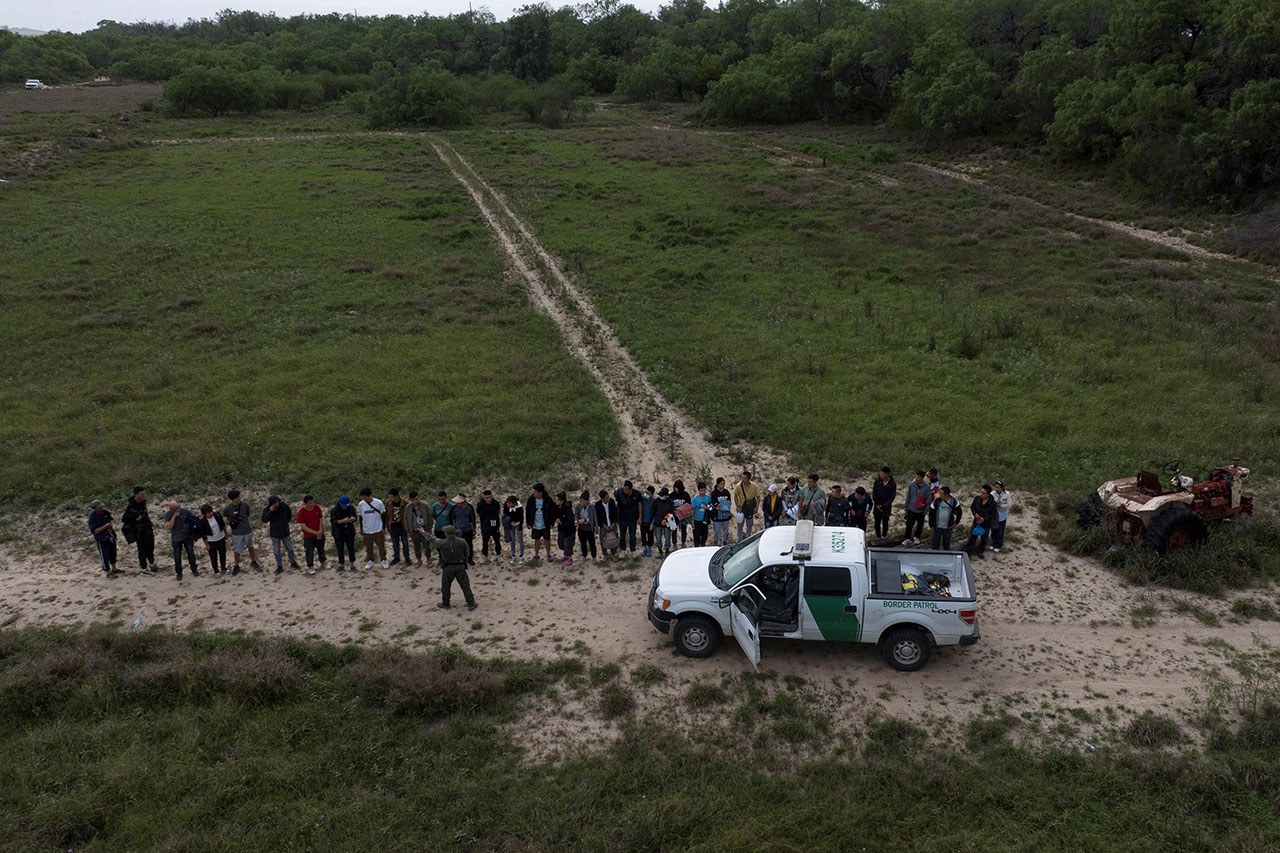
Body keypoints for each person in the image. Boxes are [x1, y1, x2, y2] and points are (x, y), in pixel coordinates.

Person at [434, 525, 476, 610]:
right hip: (460, 566)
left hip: (448, 567)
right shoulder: (462, 542)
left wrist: (423, 532)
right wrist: (464, 563)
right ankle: (471, 603)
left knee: (446, 586)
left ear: (446, 534)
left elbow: (431, 540)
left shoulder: (442, 543)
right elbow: (467, 553)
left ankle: (446, 603)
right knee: (465, 585)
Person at [120, 487, 157, 576]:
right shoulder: (131, 506)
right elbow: (124, 519)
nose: (144, 496)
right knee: (142, 549)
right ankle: (144, 568)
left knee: (150, 546)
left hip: (147, 527)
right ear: (136, 495)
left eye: (144, 494)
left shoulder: (143, 503)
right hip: (139, 530)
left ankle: (152, 563)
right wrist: (135, 520)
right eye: (142, 494)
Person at [223, 490, 262, 572]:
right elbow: (227, 517)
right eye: (237, 497)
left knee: (250, 546)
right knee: (237, 550)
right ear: (233, 499)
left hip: (247, 530)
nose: (239, 498)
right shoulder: (228, 509)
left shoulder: (245, 505)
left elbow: (248, 514)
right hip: (237, 533)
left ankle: (253, 561)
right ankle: (236, 565)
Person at [262, 495, 299, 574]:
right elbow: (264, 519)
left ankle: (293, 562)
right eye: (275, 503)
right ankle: (279, 566)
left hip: (285, 531)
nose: (277, 504)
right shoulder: (267, 509)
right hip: (275, 533)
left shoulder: (284, 506)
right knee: (277, 551)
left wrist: (285, 522)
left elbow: (289, 514)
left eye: (277, 502)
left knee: (290, 549)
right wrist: (270, 511)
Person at [165, 500, 200, 580]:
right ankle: (179, 573)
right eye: (175, 508)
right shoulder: (168, 515)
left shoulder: (185, 512)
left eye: (178, 507)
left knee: (191, 554)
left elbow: (194, 520)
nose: (177, 509)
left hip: (187, 537)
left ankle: (194, 570)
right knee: (177, 557)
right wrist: (174, 516)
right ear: (171, 509)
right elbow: (169, 526)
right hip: (176, 539)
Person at [964, 485, 998, 560]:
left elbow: (993, 515)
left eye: (983, 493)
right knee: (972, 536)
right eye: (981, 492)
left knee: (984, 538)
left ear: (988, 494)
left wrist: (984, 519)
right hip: (977, 521)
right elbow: (972, 507)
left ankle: (980, 551)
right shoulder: (977, 499)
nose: (981, 494)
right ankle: (967, 551)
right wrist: (975, 514)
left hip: (986, 523)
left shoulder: (992, 503)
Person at [295, 494, 326, 575]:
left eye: (313, 502)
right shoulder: (301, 511)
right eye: (310, 503)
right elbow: (303, 526)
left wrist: (320, 531)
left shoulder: (317, 507)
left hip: (319, 532)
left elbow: (320, 519)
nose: (312, 504)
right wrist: (315, 532)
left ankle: (323, 562)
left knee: (321, 548)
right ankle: (310, 566)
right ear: (305, 503)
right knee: (309, 551)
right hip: (309, 536)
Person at [358, 487, 388, 569]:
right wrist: (361, 528)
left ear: (369, 496)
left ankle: (383, 560)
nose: (364, 499)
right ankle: (370, 561)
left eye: (365, 497)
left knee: (381, 546)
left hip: (377, 529)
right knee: (369, 547)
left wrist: (383, 527)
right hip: (367, 530)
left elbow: (383, 515)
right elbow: (361, 516)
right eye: (363, 497)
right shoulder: (361, 504)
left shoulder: (378, 503)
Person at [88, 500, 119, 578]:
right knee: (104, 555)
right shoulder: (92, 518)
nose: (101, 508)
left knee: (113, 552)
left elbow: (111, 519)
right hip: (101, 539)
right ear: (95, 508)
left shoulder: (105, 512)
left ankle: (114, 568)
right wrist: (105, 526)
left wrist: (110, 524)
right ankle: (108, 572)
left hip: (110, 536)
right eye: (100, 507)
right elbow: (95, 531)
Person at [525, 484, 555, 562]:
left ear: (540, 492)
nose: (533, 493)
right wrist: (528, 522)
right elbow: (527, 511)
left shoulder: (548, 499)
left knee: (547, 539)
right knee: (536, 539)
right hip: (535, 523)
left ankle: (548, 554)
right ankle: (536, 555)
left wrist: (552, 523)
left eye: (535, 492)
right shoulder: (531, 499)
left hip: (545, 523)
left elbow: (552, 511)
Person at [198, 503, 228, 576]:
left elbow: (223, 524)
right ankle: (216, 570)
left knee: (222, 553)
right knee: (213, 556)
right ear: (204, 514)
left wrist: (226, 533)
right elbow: (203, 534)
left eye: (211, 511)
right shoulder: (202, 521)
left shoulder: (217, 515)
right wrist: (207, 544)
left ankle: (223, 568)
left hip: (220, 538)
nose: (211, 513)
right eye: (208, 512)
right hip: (211, 541)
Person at [330, 495, 358, 573]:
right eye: (344, 505)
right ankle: (341, 564)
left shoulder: (350, 507)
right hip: (338, 532)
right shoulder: (334, 510)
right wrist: (342, 521)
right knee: (340, 549)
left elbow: (355, 517)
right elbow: (333, 521)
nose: (346, 507)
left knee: (351, 548)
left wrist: (353, 519)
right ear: (340, 503)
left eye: (347, 505)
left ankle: (352, 565)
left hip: (349, 531)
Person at [733, 470, 762, 542]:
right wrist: (737, 506)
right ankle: (739, 540)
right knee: (740, 525)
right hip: (742, 507)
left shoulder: (754, 486)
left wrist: (756, 507)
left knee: (749, 525)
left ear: (749, 479)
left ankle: (748, 540)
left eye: (744, 478)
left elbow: (758, 497)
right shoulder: (738, 486)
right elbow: (735, 496)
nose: (742, 479)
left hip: (750, 508)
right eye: (742, 478)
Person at [448, 494, 477, 566]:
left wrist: (474, 528)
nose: (457, 503)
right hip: (458, 529)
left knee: (469, 545)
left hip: (468, 529)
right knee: (458, 545)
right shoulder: (454, 508)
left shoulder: (470, 507)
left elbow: (473, 518)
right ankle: (460, 559)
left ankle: (470, 559)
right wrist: (452, 528)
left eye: (458, 502)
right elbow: (451, 519)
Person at [614, 480, 641, 556]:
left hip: (633, 519)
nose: (624, 491)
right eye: (624, 489)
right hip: (622, 518)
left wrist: (640, 517)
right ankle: (623, 550)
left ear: (630, 489)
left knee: (632, 535)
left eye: (626, 489)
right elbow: (616, 505)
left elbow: (640, 505)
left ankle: (633, 550)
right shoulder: (619, 493)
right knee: (622, 535)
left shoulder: (637, 494)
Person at [903, 471, 929, 545]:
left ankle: (917, 537)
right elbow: (908, 496)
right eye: (916, 476)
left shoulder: (927, 487)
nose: (917, 478)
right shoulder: (912, 485)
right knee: (909, 524)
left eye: (918, 477)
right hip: (911, 508)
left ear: (923, 477)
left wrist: (926, 509)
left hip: (921, 509)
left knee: (920, 525)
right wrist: (906, 507)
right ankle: (907, 538)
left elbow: (928, 498)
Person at [477, 490, 503, 563]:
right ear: (483, 497)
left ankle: (499, 555)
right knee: (485, 541)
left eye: (489, 497)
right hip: (485, 525)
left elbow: (498, 512)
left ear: (492, 496)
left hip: (494, 525)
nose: (488, 499)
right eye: (486, 497)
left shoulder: (496, 503)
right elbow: (479, 513)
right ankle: (485, 556)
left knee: (497, 541)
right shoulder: (480, 504)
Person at [386, 489, 409, 567]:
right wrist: (387, 525)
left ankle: (407, 558)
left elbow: (408, 515)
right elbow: (386, 515)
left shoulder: (405, 503)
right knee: (395, 544)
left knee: (405, 543)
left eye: (391, 497)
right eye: (389, 497)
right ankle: (396, 557)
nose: (390, 498)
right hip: (392, 527)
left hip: (402, 526)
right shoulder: (388, 503)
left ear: (396, 496)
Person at [872, 468, 896, 539]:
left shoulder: (892, 484)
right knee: (877, 523)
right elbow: (874, 494)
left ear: (887, 474)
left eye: (883, 474)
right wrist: (878, 504)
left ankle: (884, 535)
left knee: (885, 522)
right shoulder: (877, 482)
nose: (881, 475)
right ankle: (878, 536)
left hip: (886, 507)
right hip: (877, 505)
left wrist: (884, 506)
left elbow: (892, 496)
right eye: (881, 473)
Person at [595, 489, 620, 559]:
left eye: (608, 497)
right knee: (603, 540)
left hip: (612, 524)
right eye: (606, 498)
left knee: (614, 539)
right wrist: (603, 525)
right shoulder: (597, 505)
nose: (608, 499)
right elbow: (598, 517)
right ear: (602, 498)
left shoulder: (611, 502)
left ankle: (613, 553)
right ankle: (605, 554)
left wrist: (613, 523)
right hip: (603, 526)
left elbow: (615, 513)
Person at [407, 491, 430, 566]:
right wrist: (408, 530)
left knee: (426, 545)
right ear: (410, 500)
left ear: (419, 497)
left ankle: (428, 559)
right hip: (414, 530)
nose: (415, 501)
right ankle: (419, 560)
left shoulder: (425, 505)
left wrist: (429, 528)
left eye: (416, 499)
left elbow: (430, 517)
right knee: (416, 546)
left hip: (424, 529)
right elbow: (406, 519)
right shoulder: (408, 507)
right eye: (413, 500)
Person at [574, 491, 597, 560]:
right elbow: (576, 514)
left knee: (592, 543)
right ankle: (584, 555)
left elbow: (593, 518)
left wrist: (585, 520)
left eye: (583, 501)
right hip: (581, 528)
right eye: (581, 501)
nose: (582, 503)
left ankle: (594, 556)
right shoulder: (578, 506)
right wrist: (576, 521)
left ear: (587, 501)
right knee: (582, 543)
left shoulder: (592, 507)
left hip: (589, 529)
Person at [502, 495, 525, 564]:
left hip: (518, 524)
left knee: (520, 540)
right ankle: (513, 555)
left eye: (509, 503)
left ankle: (521, 556)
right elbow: (506, 514)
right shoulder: (506, 506)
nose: (507, 504)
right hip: (511, 525)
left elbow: (521, 518)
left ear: (513, 503)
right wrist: (510, 521)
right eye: (507, 503)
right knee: (512, 540)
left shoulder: (519, 508)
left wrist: (520, 526)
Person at [652, 487, 675, 557]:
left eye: (663, 495)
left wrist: (665, 519)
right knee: (658, 538)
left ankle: (667, 550)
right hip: (657, 523)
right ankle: (660, 551)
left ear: (666, 496)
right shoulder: (656, 501)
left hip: (667, 523)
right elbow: (653, 512)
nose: (661, 497)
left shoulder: (670, 502)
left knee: (667, 538)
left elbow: (672, 513)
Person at [555, 491, 576, 564]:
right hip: (562, 529)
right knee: (561, 543)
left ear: (562, 501)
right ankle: (566, 555)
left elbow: (570, 521)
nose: (556, 501)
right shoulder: (558, 508)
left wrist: (561, 523)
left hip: (569, 530)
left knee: (568, 544)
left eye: (557, 500)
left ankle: (570, 558)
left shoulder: (567, 509)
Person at [710, 477, 732, 546]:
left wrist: (728, 504)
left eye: (723, 484)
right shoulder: (714, 493)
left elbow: (729, 501)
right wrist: (718, 506)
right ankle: (716, 542)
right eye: (721, 484)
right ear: (718, 484)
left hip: (725, 514)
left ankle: (724, 541)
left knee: (725, 530)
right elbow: (713, 503)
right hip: (717, 515)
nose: (723, 485)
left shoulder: (726, 492)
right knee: (717, 530)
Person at [991, 481, 1012, 553]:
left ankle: (998, 545)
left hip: (1003, 514)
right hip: (994, 514)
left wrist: (1002, 506)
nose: (996, 489)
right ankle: (993, 543)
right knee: (994, 530)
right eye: (995, 487)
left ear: (1002, 488)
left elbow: (1009, 504)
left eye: (998, 487)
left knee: (1000, 531)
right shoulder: (992, 494)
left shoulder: (1007, 494)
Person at [690, 482, 713, 547]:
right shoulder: (695, 499)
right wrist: (692, 519)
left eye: (704, 490)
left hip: (705, 519)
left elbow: (711, 507)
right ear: (698, 490)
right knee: (697, 534)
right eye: (701, 490)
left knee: (704, 534)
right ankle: (696, 546)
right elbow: (693, 509)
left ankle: (703, 544)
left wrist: (708, 507)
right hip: (697, 519)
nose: (703, 492)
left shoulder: (708, 497)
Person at [671, 480, 692, 548]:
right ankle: (674, 543)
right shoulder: (672, 495)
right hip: (674, 515)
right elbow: (669, 504)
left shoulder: (685, 495)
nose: (676, 489)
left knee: (683, 529)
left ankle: (683, 542)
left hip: (683, 515)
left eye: (677, 488)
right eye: (675, 487)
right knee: (674, 529)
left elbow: (688, 504)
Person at [639, 485, 657, 557]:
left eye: (648, 493)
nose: (646, 494)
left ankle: (649, 549)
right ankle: (645, 548)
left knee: (650, 536)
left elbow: (655, 513)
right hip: (643, 521)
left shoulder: (654, 502)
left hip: (650, 522)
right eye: (645, 492)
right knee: (643, 536)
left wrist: (652, 523)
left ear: (652, 494)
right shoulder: (642, 500)